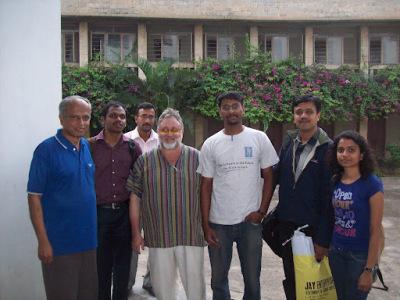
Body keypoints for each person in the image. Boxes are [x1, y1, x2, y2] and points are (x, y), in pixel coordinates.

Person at [198, 91, 279, 300]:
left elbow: (269, 177)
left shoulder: (259, 138)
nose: (231, 110)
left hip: (249, 223)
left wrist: (262, 211)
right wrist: (206, 225)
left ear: (243, 108)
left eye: (235, 106)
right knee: (218, 280)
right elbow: (205, 186)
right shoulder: (210, 144)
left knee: (252, 280)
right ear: (220, 111)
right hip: (219, 223)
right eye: (226, 106)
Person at [127, 108, 206, 300]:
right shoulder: (144, 161)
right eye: (164, 129)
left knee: (196, 290)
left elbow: (208, 195)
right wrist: (136, 233)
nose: (169, 134)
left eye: (174, 129)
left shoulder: (198, 158)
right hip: (158, 236)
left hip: (191, 235)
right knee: (163, 292)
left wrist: (209, 227)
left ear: (182, 132)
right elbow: (135, 198)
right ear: (158, 130)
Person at [27, 95, 98, 300]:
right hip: (60, 245)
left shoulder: (85, 147)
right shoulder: (45, 150)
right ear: (61, 119)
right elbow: (34, 198)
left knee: (87, 295)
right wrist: (43, 241)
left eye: (86, 117)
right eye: (75, 118)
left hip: (88, 242)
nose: (81, 123)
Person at [273, 95, 333, 300]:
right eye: (299, 112)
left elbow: (329, 200)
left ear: (318, 115)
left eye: (309, 112)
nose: (303, 116)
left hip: (313, 229)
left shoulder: (329, 149)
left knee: (313, 285)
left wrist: (323, 240)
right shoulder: (289, 142)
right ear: (294, 116)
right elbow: (277, 175)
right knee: (292, 278)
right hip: (288, 226)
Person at [90, 101, 142, 300]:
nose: (118, 120)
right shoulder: (91, 145)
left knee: (122, 269)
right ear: (103, 119)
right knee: (100, 268)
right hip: (98, 214)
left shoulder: (132, 147)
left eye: (122, 116)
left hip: (123, 214)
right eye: (113, 115)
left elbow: (140, 180)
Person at [327, 130, 384, 300]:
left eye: (351, 150)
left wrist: (369, 269)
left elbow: (376, 231)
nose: (345, 154)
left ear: (361, 155)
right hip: (336, 252)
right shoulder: (335, 181)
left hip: (359, 257)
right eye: (340, 150)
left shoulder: (371, 184)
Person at [124, 102, 158, 295]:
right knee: (131, 243)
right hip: (131, 201)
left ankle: (152, 282)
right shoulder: (126, 139)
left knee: (157, 244)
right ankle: (127, 283)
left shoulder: (162, 140)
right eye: (143, 116)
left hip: (156, 203)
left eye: (150, 116)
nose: (147, 120)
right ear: (136, 118)